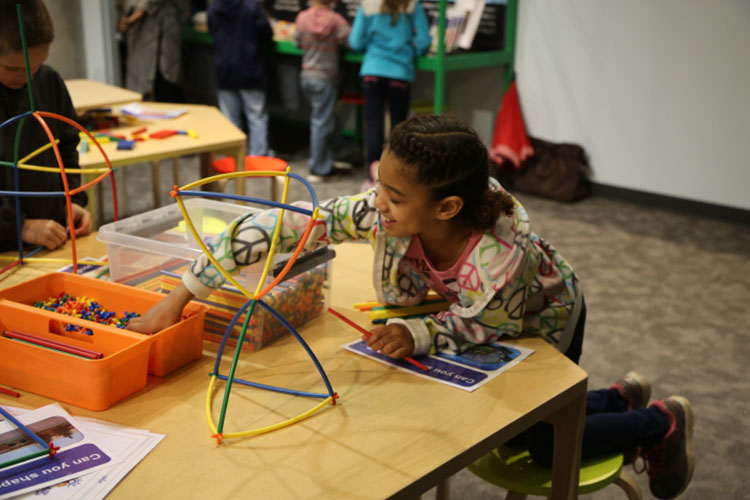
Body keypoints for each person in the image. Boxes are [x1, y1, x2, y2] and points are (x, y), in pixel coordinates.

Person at [128, 114, 694, 499]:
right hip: (478, 310)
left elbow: (481, 324)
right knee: (525, 411)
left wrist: (419, 336)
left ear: (447, 206)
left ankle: (656, 422)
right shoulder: (388, 211)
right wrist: (181, 297)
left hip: (545, 315)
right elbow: (287, 225)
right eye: (379, 185)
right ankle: (619, 397)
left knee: (534, 436)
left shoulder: (499, 254)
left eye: (394, 197)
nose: (377, 204)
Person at [0, 0, 91, 252]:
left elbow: (67, 144)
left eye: (37, 65)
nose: (28, 76)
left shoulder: (48, 80)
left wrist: (72, 200)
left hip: (51, 239)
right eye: (14, 68)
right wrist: (20, 226)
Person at [348, 0, 431, 191]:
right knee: (398, 128)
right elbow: (424, 42)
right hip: (400, 73)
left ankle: (371, 179)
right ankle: (395, 177)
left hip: (372, 70)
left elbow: (355, 41)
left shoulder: (368, 5)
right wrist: (413, 51)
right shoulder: (412, 5)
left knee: (373, 125)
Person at [294, 0, 351, 182]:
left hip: (307, 76)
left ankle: (328, 159)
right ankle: (318, 168)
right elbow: (350, 40)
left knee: (323, 119)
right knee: (322, 122)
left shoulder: (302, 17)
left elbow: (297, 41)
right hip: (325, 77)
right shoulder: (336, 20)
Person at [208, 0, 273, 157]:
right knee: (256, 115)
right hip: (250, 68)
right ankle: (258, 156)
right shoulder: (251, 6)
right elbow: (266, 33)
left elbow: (211, 31)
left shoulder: (214, 7)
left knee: (230, 117)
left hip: (224, 68)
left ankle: (233, 156)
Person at [119, 0, 189, 102]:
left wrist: (139, 12)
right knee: (141, 94)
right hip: (139, 42)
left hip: (162, 45)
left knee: (167, 93)